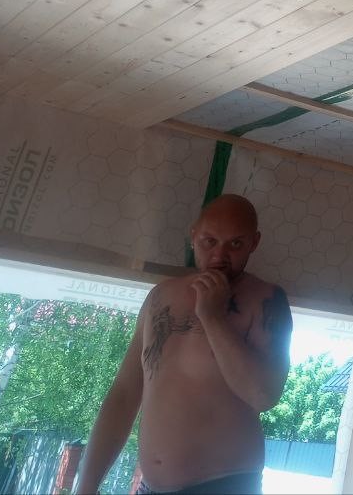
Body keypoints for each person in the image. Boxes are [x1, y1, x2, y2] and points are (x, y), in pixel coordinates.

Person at [77, 194, 292, 494]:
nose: (220, 255)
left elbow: (264, 395)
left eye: (235, 244)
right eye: (209, 241)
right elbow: (124, 393)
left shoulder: (267, 300)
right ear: (193, 236)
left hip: (224, 485)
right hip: (149, 487)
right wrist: (85, 486)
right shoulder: (160, 296)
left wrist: (212, 317)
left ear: (254, 243)